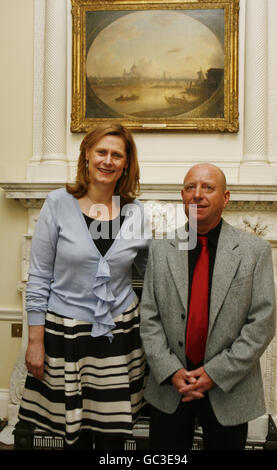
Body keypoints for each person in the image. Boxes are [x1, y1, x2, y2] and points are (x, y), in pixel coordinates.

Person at [17, 123, 150, 450]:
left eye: (117, 154)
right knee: (73, 434)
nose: (108, 160)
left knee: (113, 438)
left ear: (126, 164)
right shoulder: (57, 203)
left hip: (119, 340)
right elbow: (38, 277)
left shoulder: (136, 213)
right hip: (66, 337)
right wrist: (35, 341)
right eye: (101, 152)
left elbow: (155, 277)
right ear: (87, 155)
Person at [140, 163, 276, 450]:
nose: (197, 194)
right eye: (191, 187)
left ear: (225, 198)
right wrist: (171, 370)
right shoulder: (160, 250)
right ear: (182, 195)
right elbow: (149, 318)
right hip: (170, 387)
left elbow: (261, 324)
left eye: (208, 188)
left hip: (229, 389)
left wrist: (215, 373)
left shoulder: (254, 252)